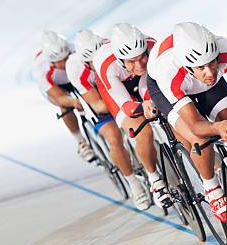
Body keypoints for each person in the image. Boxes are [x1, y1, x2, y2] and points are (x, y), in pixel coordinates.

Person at [147, 22, 227, 223]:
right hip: (166, 87)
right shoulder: (167, 71)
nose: (210, 72)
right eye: (202, 67)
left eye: (213, 63)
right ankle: (211, 186)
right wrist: (215, 127)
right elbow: (195, 124)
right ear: (187, 65)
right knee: (199, 139)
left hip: (206, 87)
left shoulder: (224, 48)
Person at [88, 23, 171, 208]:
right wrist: (142, 106)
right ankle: (154, 179)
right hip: (118, 88)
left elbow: (157, 81)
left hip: (144, 81)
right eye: (131, 61)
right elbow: (125, 105)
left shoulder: (152, 46)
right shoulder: (105, 64)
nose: (139, 64)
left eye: (142, 57)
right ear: (120, 59)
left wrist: (151, 101)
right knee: (143, 132)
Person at [69, 29, 151, 210]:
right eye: (92, 62)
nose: (96, 62)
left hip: (121, 87)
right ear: (86, 64)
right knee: (114, 138)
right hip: (100, 102)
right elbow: (98, 105)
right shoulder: (76, 70)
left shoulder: (113, 50)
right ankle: (134, 185)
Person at [34, 30, 94, 162]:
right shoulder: (42, 69)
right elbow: (58, 96)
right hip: (57, 86)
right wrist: (73, 103)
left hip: (76, 75)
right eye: (59, 62)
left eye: (66, 58)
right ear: (51, 62)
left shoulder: (76, 49)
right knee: (64, 106)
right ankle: (81, 142)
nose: (64, 63)